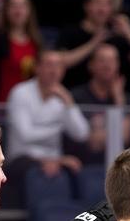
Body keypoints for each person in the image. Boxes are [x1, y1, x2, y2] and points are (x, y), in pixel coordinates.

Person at [5, 50, 90, 188]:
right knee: (39, 172)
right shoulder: (20, 92)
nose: (54, 70)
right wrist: (58, 129)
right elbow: (26, 135)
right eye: (49, 65)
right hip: (22, 159)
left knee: (79, 173)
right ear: (37, 68)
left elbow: (81, 134)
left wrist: (69, 103)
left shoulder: (63, 97)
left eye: (58, 66)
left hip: (55, 161)